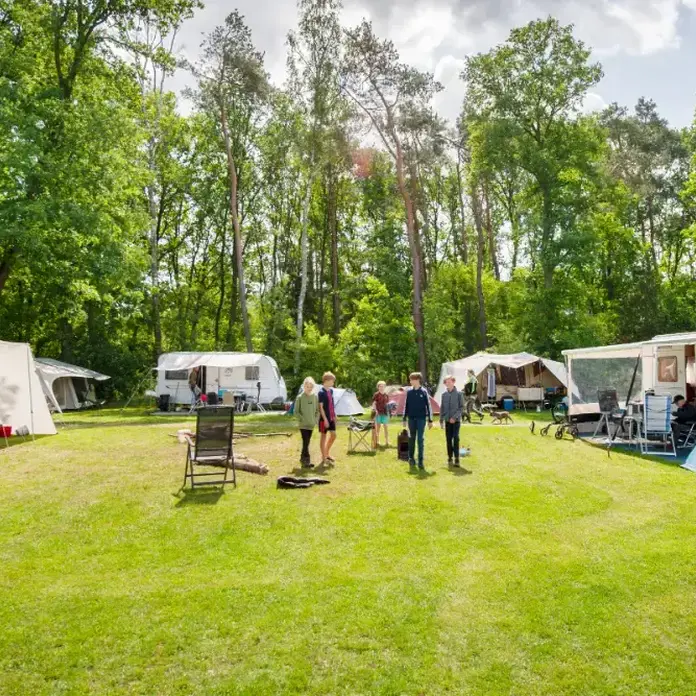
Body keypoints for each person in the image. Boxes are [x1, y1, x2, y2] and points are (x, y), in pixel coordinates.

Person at [402, 372, 433, 470]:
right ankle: (411, 458)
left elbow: (429, 406)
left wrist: (430, 420)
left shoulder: (424, 392)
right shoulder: (409, 392)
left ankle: (420, 461)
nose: (410, 381)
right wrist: (404, 418)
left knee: (420, 439)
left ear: (417, 380)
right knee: (411, 438)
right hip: (411, 419)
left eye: (411, 379)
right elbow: (406, 405)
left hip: (421, 419)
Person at [295, 377, 319, 468]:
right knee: (306, 441)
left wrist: (315, 419)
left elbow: (317, 411)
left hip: (311, 424)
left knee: (307, 442)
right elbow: (296, 412)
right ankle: (307, 460)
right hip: (303, 425)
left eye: (311, 387)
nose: (309, 388)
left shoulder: (315, 397)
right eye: (307, 386)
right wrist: (302, 419)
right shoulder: (300, 397)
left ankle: (302, 457)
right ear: (304, 386)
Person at [440, 375, 464, 467]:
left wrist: (454, 417)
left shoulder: (459, 394)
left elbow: (461, 408)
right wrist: (441, 420)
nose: (448, 383)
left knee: (456, 438)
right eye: (446, 382)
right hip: (447, 421)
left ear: (453, 382)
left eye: (449, 382)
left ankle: (457, 458)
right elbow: (442, 408)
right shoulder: (444, 395)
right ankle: (450, 457)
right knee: (448, 439)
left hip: (456, 421)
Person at [318, 371, 338, 465]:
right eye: (332, 381)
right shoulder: (321, 392)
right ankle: (323, 457)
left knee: (334, 435)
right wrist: (325, 419)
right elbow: (321, 407)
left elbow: (331, 404)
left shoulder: (331, 391)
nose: (333, 383)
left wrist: (334, 415)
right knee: (323, 436)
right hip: (323, 419)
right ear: (327, 380)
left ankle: (326, 453)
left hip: (331, 417)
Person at [372, 381, 390, 448]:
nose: (381, 387)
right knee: (378, 427)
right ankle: (377, 441)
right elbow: (374, 403)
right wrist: (375, 410)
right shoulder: (376, 394)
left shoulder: (386, 395)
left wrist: (389, 411)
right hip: (378, 413)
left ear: (385, 387)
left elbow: (387, 404)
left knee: (386, 427)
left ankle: (387, 441)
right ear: (378, 387)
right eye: (380, 386)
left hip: (385, 413)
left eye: (383, 386)